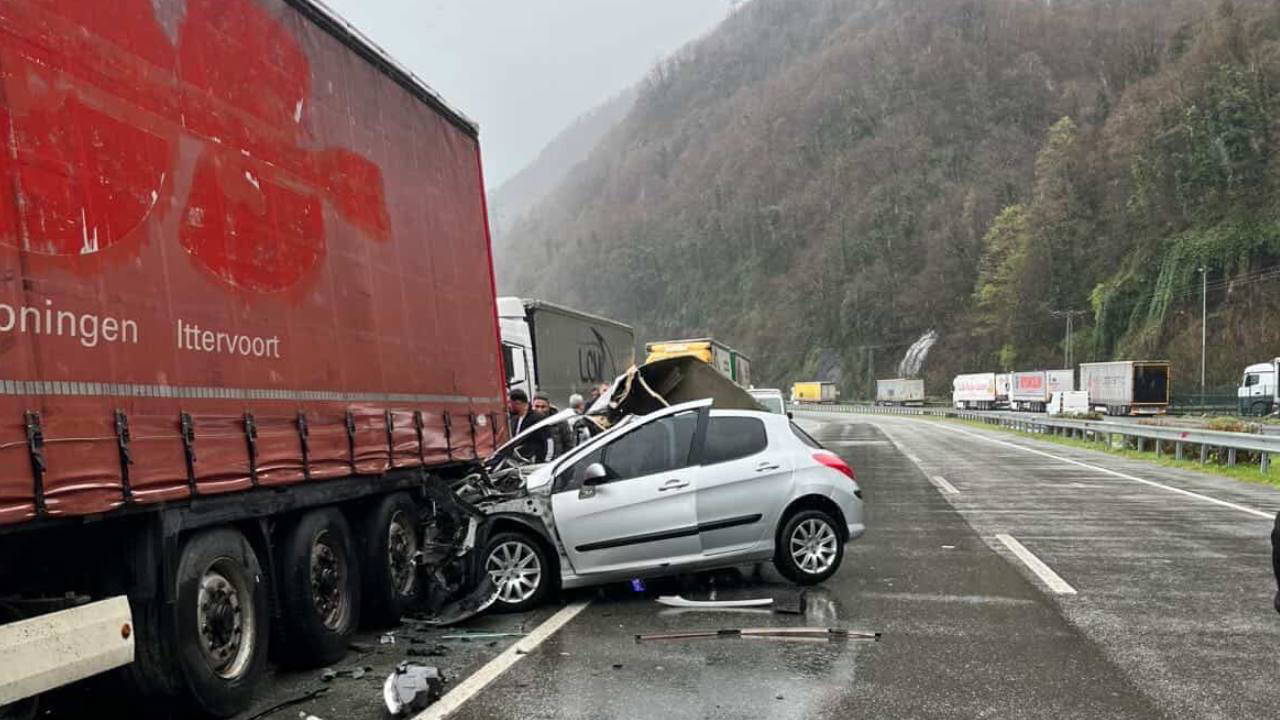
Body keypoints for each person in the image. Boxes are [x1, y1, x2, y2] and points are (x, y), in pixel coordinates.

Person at [507, 389, 552, 463]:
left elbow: (549, 441)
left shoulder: (537, 418)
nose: (508, 405)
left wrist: (547, 461)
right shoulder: (514, 419)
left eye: (509, 402)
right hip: (520, 463)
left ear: (518, 403)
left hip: (536, 463)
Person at [533, 392, 572, 458]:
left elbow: (569, 445)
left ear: (548, 407)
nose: (540, 410)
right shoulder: (530, 421)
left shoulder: (560, 421)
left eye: (543, 407)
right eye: (537, 406)